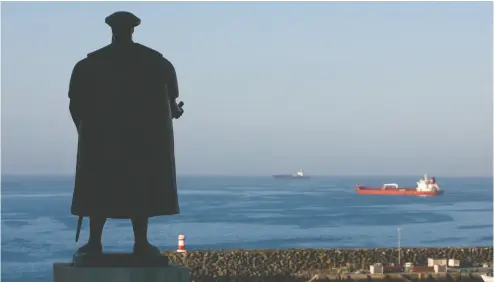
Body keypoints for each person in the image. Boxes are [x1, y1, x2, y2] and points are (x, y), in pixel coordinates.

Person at [68, 11, 184, 255]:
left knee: (99, 189)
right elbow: (172, 107)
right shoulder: (158, 63)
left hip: (101, 142)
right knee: (139, 189)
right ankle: (140, 242)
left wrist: (86, 133)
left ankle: (95, 243)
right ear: (132, 30)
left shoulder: (89, 64)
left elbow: (75, 106)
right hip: (142, 143)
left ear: (112, 30)